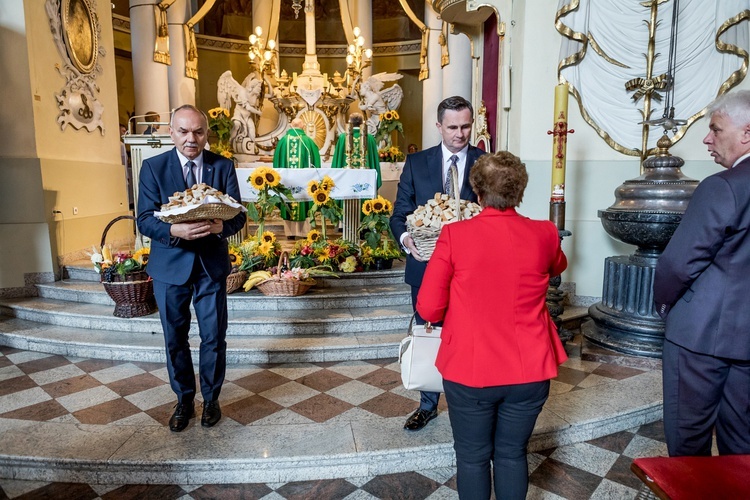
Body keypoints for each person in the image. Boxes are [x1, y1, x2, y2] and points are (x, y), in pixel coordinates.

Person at [417, 151, 568, 499]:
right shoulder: (545, 233)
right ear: (520, 191)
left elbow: (428, 308)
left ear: (478, 192)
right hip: (530, 368)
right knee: (512, 454)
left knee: (472, 458)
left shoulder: (455, 236)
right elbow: (556, 266)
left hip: (472, 369)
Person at [137, 104, 246, 432]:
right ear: (171, 133)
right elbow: (144, 218)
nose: (191, 138)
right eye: (183, 131)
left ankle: (211, 399)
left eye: (198, 131)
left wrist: (218, 228)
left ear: (206, 133)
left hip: (210, 266)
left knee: (214, 337)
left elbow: (239, 215)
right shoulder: (154, 168)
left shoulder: (222, 166)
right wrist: (174, 230)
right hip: (170, 266)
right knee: (175, 337)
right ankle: (184, 399)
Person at [654, 90, 750, 457]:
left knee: (687, 440)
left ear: (746, 134)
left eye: (716, 129)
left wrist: (665, 306)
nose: (707, 139)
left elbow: (677, 264)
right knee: (742, 444)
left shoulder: (722, 186)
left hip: (700, 335)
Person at [389, 95, 485, 431]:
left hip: (471, 272)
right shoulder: (417, 163)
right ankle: (428, 405)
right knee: (428, 334)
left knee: (469, 337)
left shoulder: (485, 163)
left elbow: (493, 214)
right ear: (439, 126)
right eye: (453, 127)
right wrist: (406, 239)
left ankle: (467, 404)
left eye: (466, 126)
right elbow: (399, 214)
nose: (461, 134)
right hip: (424, 266)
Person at [273, 117, 321, 238]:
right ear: (303, 127)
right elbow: (317, 165)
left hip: (286, 183)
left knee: (288, 200)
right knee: (303, 201)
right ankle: (305, 233)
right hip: (304, 185)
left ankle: (290, 233)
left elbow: (276, 165)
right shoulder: (308, 142)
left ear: (291, 126)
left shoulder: (283, 142)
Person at [331, 112, 382, 190]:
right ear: (362, 123)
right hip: (366, 180)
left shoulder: (342, 138)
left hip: (345, 180)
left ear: (349, 122)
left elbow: (337, 161)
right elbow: (374, 161)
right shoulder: (370, 138)